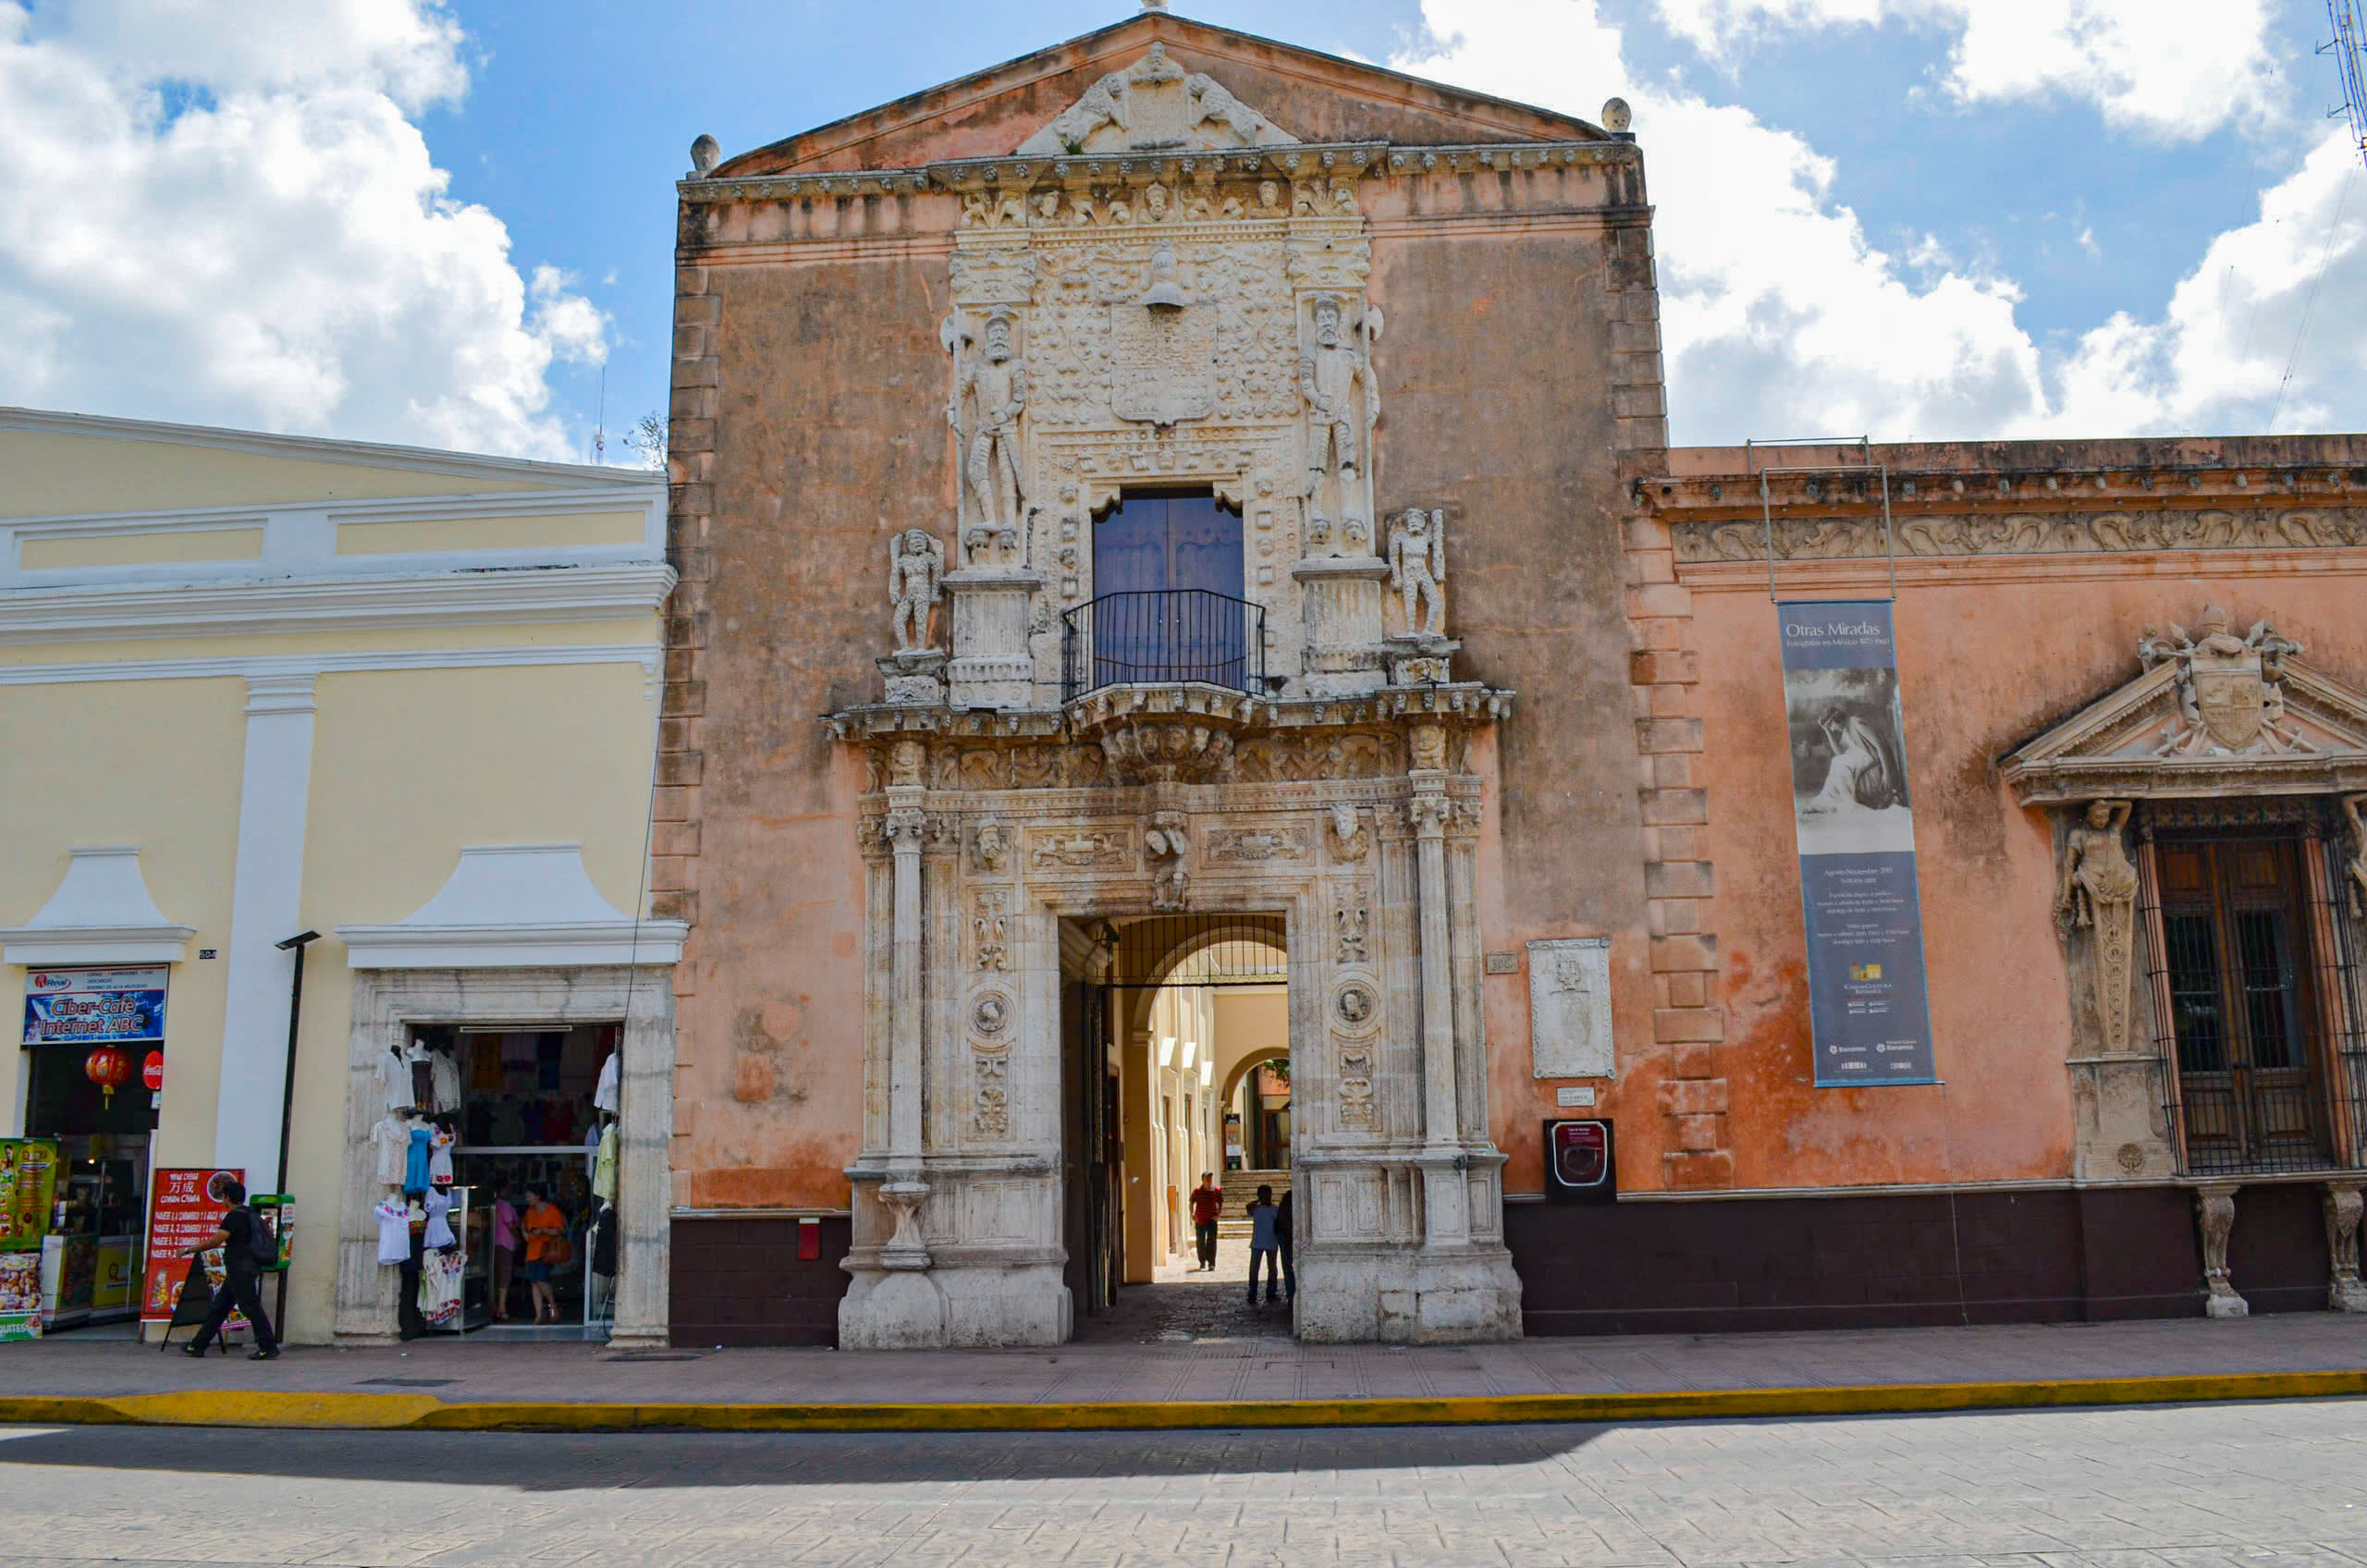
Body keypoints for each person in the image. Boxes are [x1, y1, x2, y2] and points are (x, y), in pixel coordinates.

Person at [178, 1179, 278, 1360]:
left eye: (223, 1197)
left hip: (240, 1269)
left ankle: (268, 1346)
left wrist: (188, 1249)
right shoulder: (249, 1213)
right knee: (220, 1308)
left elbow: (215, 1241)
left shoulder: (234, 1217)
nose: (222, 1201)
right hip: (243, 1269)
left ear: (227, 1198)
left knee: (250, 1307)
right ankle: (197, 1345)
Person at [521, 1185, 566, 1325]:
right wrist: (526, 1235)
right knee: (534, 1282)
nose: (527, 1199)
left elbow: (560, 1231)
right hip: (531, 1251)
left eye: (529, 1196)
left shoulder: (552, 1211)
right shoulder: (530, 1211)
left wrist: (544, 1231)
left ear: (538, 1196)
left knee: (541, 1280)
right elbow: (523, 1226)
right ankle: (539, 1315)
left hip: (546, 1251)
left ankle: (553, 1306)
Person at [1245, 1184, 1281, 1306]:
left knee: (1272, 1268)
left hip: (1272, 1242)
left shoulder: (1275, 1210)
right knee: (1254, 1269)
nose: (1267, 1197)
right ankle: (1252, 1292)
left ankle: (1271, 1292)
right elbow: (1248, 1207)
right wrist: (1258, 1201)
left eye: (1268, 1194)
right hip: (1257, 1243)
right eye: (1264, 1194)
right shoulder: (1255, 1209)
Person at [489, 1182, 519, 1322]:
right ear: (502, 1190)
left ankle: (495, 1308)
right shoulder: (505, 1205)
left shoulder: (494, 1204)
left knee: (496, 1277)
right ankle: (502, 1309)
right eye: (508, 1189)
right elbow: (510, 1224)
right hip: (505, 1244)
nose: (510, 1192)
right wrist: (519, 1238)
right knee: (504, 1277)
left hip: (494, 1244)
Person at [1188, 1173, 1223, 1271]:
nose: (1209, 1181)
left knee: (1212, 1242)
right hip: (1200, 1220)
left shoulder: (1217, 1191)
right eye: (1207, 1179)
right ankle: (1202, 1262)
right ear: (1202, 1180)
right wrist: (1192, 1213)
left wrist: (1218, 1215)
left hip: (1212, 1220)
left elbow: (1220, 1203)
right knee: (1200, 1242)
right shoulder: (1197, 1191)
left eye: (1210, 1179)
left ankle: (1211, 1263)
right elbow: (1191, 1202)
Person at [1276, 1189, 1295, 1303]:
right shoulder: (1286, 1211)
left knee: (1288, 1268)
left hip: (1285, 1238)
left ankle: (1291, 1294)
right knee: (1290, 1267)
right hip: (1288, 1237)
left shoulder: (1282, 1210)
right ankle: (1292, 1294)